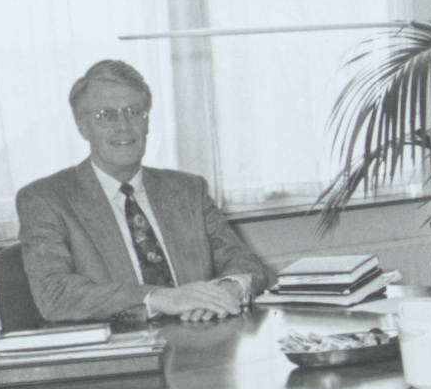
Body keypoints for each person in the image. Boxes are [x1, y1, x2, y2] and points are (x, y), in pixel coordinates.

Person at [15, 60, 269, 325]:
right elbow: (54, 294)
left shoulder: (188, 190)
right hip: (118, 346)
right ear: (82, 126)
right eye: (106, 115)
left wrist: (227, 290)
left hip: (201, 335)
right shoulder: (45, 199)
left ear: (146, 121)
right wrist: (158, 298)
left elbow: (243, 262)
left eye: (134, 112)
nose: (124, 126)